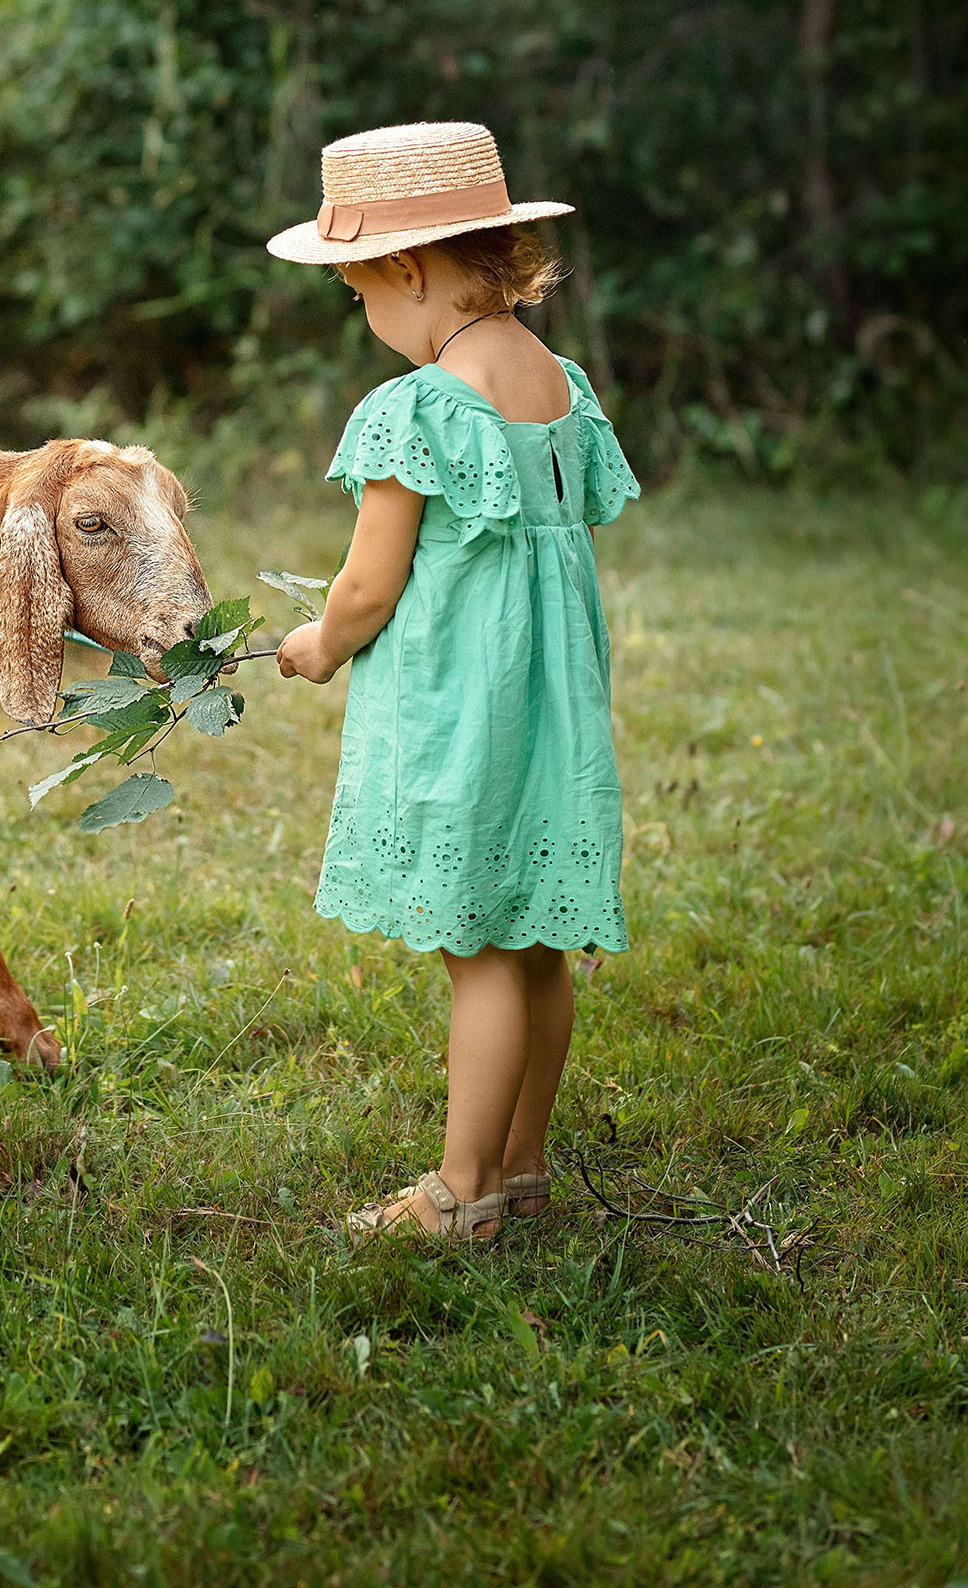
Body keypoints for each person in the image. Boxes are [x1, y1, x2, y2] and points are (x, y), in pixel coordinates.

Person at [269, 119, 639, 1242]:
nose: (363, 317)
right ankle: (518, 1172)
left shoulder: (416, 410)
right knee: (532, 948)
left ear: (408, 273)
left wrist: (316, 644)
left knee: (475, 947)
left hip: (460, 715)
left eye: (357, 292)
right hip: (549, 714)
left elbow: (369, 585)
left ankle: (459, 1192)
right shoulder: (558, 386)